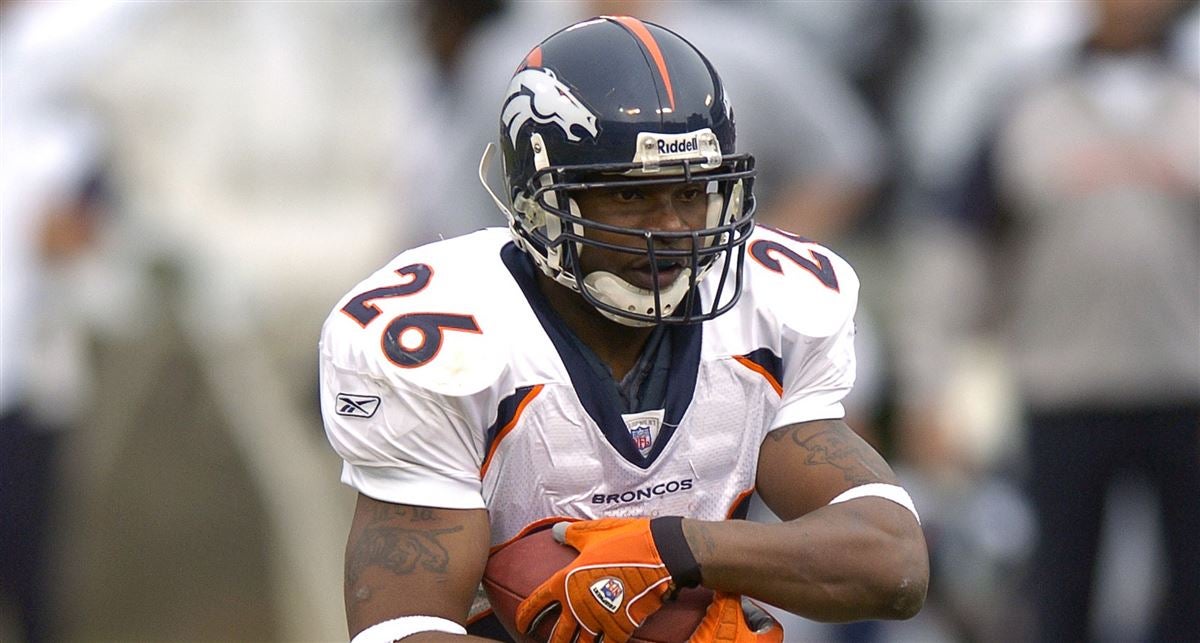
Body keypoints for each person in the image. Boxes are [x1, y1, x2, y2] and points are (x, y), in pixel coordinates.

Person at [320, 16, 928, 643]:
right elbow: (399, 631)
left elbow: (893, 562)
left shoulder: (772, 304)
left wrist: (676, 549)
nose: (670, 228)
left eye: (692, 192)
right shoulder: (440, 340)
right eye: (631, 197)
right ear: (540, 200)